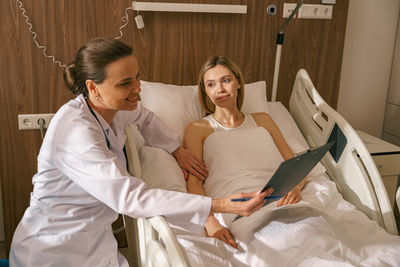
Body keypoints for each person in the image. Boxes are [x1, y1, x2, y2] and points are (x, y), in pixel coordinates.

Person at [9, 39, 271, 266]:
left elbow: (145, 118)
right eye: (125, 83)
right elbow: (131, 198)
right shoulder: (75, 131)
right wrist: (218, 204)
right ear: (92, 87)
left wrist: (176, 149)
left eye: (137, 77)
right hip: (53, 249)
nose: (137, 89)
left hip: (95, 242)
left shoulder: (116, 109)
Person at [184, 55, 307, 248]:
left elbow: (296, 166)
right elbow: (194, 183)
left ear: (238, 83)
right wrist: (211, 223)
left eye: (226, 80)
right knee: (280, 245)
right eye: (211, 84)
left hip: (280, 198)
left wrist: (296, 188)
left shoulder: (263, 120)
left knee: (315, 234)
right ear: (205, 91)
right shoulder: (197, 129)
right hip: (239, 205)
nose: (220, 89)